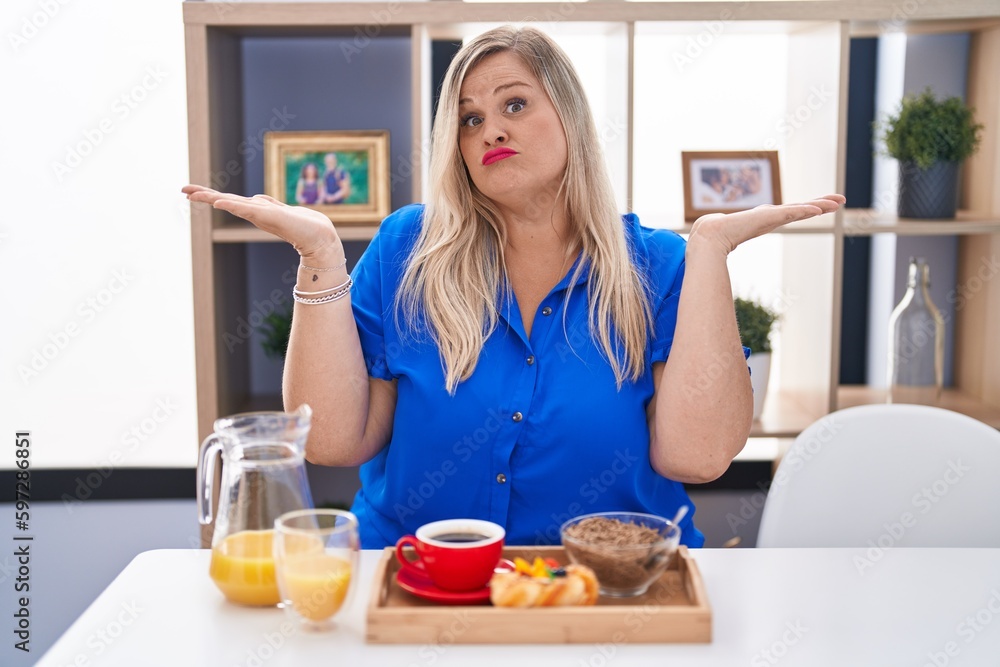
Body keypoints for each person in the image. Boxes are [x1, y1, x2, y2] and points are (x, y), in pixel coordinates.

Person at [183, 26, 843, 549]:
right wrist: (320, 256)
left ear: (571, 118)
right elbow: (332, 441)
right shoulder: (405, 249)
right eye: (469, 119)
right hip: (416, 578)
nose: (489, 129)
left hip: (614, 587)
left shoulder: (661, 266)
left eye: (515, 104)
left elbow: (696, 457)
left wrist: (711, 252)